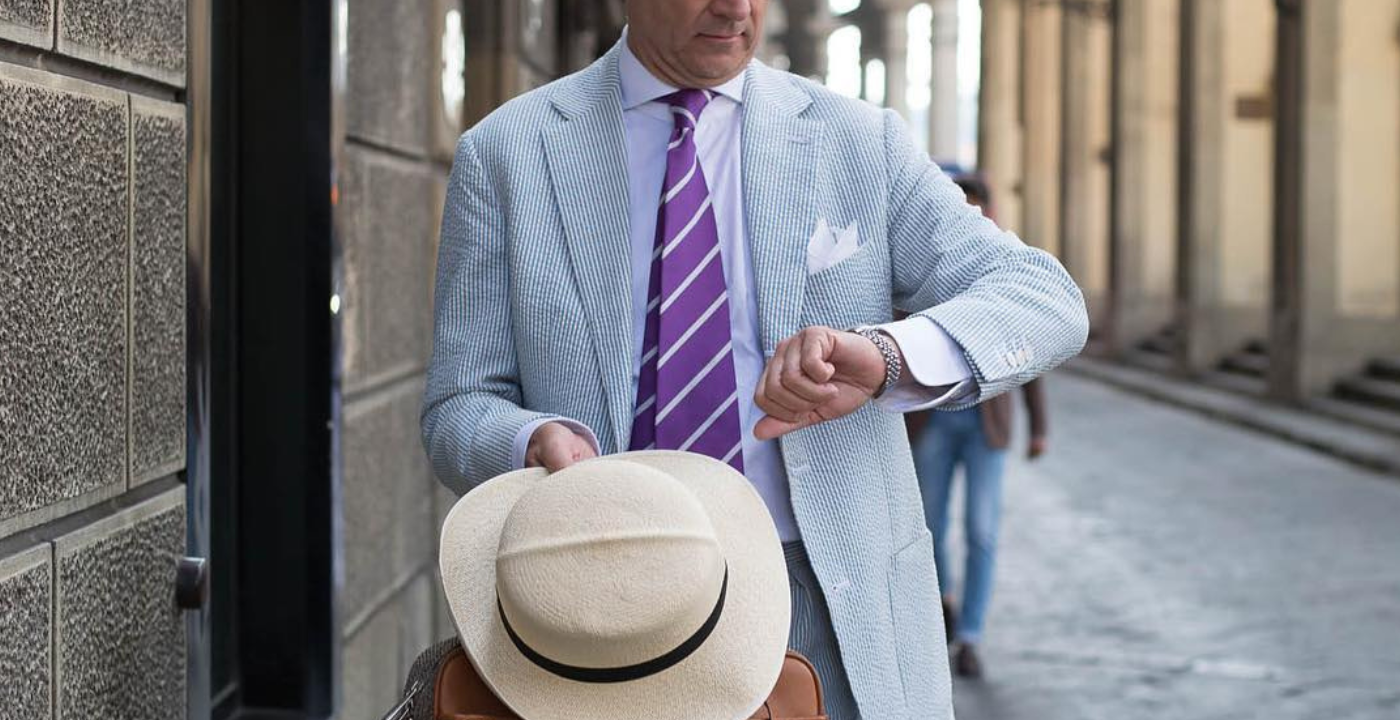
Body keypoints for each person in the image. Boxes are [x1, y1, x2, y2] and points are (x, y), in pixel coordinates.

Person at [421, 2, 1088, 718]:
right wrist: (532, 443)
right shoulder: (508, 153)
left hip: (830, 604)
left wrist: (888, 356)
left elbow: (1043, 298)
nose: (736, 7)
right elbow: (460, 404)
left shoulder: (862, 142)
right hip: (603, 604)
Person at [910, 174, 1049, 680]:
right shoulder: (925, 263)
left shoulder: (1005, 268)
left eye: (974, 210)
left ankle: (970, 636)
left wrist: (1039, 426)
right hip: (933, 422)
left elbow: (1030, 351)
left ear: (988, 214)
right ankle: (944, 603)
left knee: (982, 530)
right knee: (930, 526)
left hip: (987, 425)